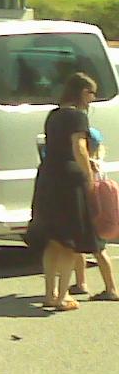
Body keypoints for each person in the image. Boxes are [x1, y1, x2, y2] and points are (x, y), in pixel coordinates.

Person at [26, 72, 102, 310]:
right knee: (69, 241)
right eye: (92, 94)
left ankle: (50, 294)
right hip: (69, 180)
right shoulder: (78, 116)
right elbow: (79, 147)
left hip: (48, 176)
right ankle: (62, 297)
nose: (92, 99)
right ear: (83, 92)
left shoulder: (54, 115)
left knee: (53, 240)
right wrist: (89, 177)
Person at [74, 126, 119, 300]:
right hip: (97, 211)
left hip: (91, 211)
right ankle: (82, 283)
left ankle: (110, 288)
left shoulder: (89, 165)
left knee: (96, 250)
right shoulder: (100, 164)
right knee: (84, 248)